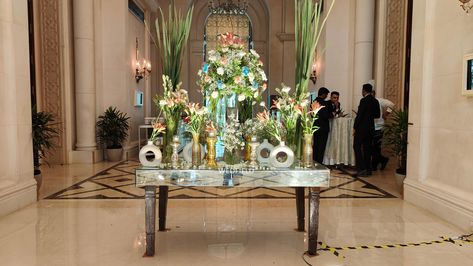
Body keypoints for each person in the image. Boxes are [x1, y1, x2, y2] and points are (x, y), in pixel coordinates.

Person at [353, 83, 380, 177]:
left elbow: (359, 115)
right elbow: (377, 115)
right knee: (367, 149)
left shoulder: (363, 100)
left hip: (361, 128)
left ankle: (362, 168)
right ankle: (368, 169)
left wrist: (355, 127)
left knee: (356, 146)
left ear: (364, 90)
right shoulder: (375, 101)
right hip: (371, 128)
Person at [371, 90, 395, 171]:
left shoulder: (380, 101)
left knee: (376, 147)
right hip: (370, 128)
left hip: (379, 127)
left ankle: (376, 164)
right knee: (373, 147)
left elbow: (392, 104)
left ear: (374, 94)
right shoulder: (367, 102)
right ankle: (382, 160)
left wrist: (386, 114)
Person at [313, 87, 333, 164]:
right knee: (321, 146)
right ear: (324, 94)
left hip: (315, 126)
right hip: (323, 127)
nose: (327, 96)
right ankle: (319, 163)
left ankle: (314, 161)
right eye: (326, 94)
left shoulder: (314, 101)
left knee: (316, 145)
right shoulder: (324, 103)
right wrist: (332, 114)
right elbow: (326, 115)